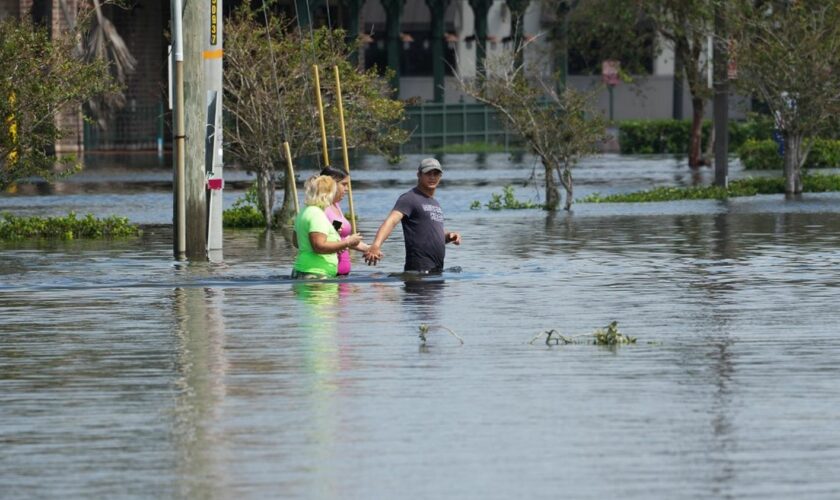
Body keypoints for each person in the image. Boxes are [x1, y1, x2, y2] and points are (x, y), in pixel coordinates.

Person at [364, 158, 461, 273]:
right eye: (428, 173)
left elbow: (430, 234)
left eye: (436, 174)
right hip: (418, 270)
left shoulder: (435, 203)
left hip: (436, 269)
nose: (432, 177)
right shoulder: (409, 198)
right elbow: (391, 221)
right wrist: (376, 245)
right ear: (418, 175)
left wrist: (448, 236)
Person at [292, 175, 363, 279]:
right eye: (334, 191)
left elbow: (296, 242)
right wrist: (347, 242)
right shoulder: (317, 214)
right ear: (328, 194)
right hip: (315, 274)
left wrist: (334, 236)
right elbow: (319, 247)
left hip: (304, 270)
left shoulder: (304, 211)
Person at [320, 166, 371, 276]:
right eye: (343, 184)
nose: (347, 189)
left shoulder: (335, 206)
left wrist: (368, 248)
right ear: (332, 184)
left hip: (342, 275)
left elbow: (341, 238)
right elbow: (323, 241)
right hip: (329, 274)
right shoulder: (323, 208)